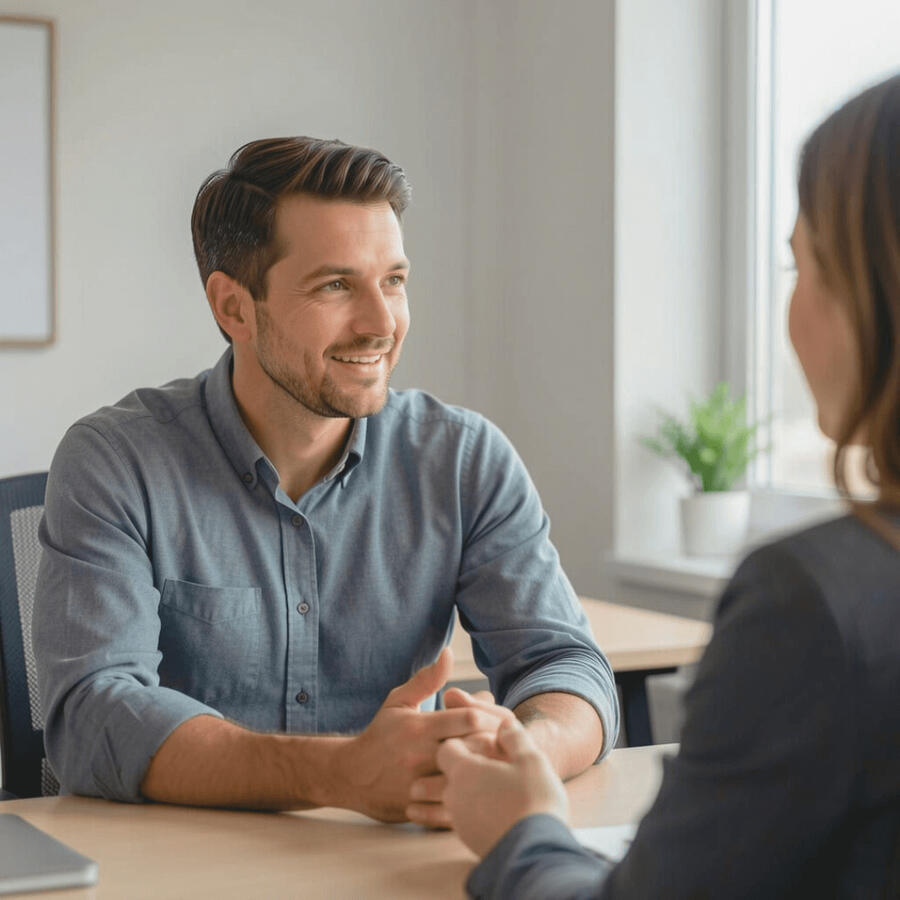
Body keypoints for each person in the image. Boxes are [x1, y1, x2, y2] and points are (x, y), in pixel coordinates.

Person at [32, 137, 619, 822]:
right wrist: (339, 773)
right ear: (234, 308)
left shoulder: (462, 460)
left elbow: (570, 668)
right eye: (336, 285)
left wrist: (516, 755)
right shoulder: (116, 462)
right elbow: (95, 713)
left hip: (388, 869)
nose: (381, 324)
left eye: (394, 280)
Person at [433, 73, 900, 897]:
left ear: (876, 289)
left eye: (803, 265)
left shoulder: (814, 601)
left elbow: (562, 659)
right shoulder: (132, 457)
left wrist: (522, 833)